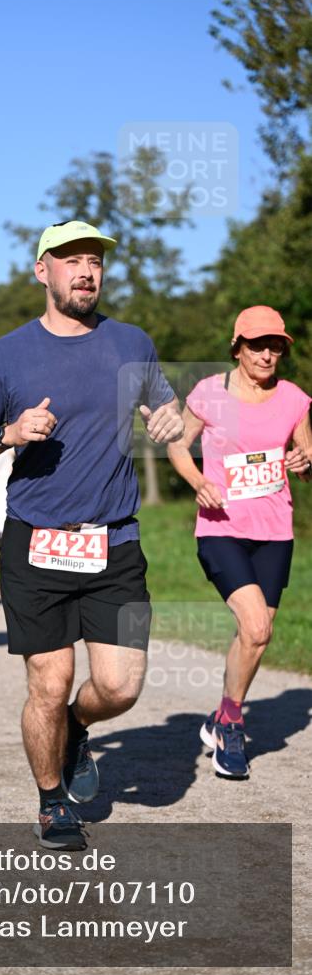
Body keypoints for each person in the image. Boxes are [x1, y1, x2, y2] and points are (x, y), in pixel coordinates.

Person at [0, 220, 183, 850]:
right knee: (47, 683)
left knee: (122, 686)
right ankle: (53, 803)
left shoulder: (132, 342)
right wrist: (9, 433)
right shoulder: (6, 355)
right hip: (36, 545)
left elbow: (167, 409)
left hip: (117, 544)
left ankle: (78, 728)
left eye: (95, 262)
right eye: (71, 260)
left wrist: (169, 418)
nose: (86, 271)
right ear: (41, 271)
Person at [167, 306, 311, 779]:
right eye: (258, 345)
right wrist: (195, 481)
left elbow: (305, 454)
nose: (268, 354)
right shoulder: (210, 393)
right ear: (238, 347)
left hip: (275, 532)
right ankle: (231, 725)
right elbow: (176, 444)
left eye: (276, 346)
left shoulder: (293, 398)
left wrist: (304, 463)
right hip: (221, 527)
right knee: (256, 628)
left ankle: (223, 710)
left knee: (255, 635)